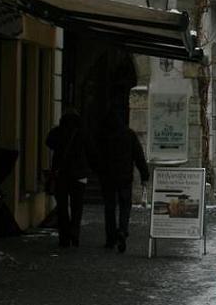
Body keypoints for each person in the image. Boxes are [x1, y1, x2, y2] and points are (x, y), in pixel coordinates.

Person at [94, 109, 150, 252]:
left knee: (109, 207)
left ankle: (110, 238)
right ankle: (122, 230)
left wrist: (98, 170)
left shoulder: (103, 135)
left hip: (107, 177)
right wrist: (144, 175)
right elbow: (139, 156)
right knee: (125, 205)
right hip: (124, 177)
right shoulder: (129, 134)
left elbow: (96, 155)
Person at [46, 108, 90, 249]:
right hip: (79, 176)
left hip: (62, 175)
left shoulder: (58, 132)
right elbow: (91, 151)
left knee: (62, 207)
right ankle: (75, 234)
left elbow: (48, 142)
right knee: (77, 207)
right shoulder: (82, 133)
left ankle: (64, 238)